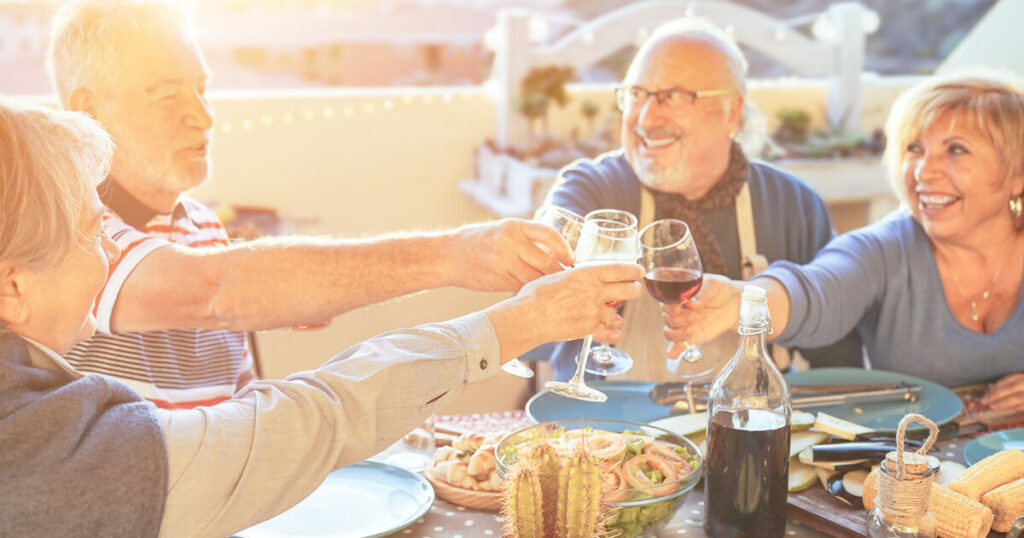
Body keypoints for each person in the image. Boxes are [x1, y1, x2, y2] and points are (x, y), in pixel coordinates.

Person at [0, 99, 643, 536]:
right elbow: (305, 419)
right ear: (13, 289)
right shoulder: (48, 449)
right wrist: (513, 321)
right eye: (90, 233)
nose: (108, 251)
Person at [48, 0, 575, 409]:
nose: (203, 118)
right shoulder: (63, 232)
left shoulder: (201, 226)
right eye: (166, 95)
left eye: (203, 88)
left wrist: (293, 291)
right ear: (88, 111)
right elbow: (216, 289)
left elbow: (240, 409)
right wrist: (460, 254)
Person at [663, 71, 1024, 411]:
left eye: (956, 149)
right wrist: (741, 302)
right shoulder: (885, 249)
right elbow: (818, 291)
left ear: (1017, 174)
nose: (923, 171)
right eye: (914, 148)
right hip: (916, 463)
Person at [526, 18, 862, 382]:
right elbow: (536, 292)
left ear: (732, 111)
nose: (646, 118)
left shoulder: (794, 205)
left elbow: (837, 354)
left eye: (671, 97)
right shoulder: (591, 189)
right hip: (611, 432)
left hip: (752, 429)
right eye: (636, 94)